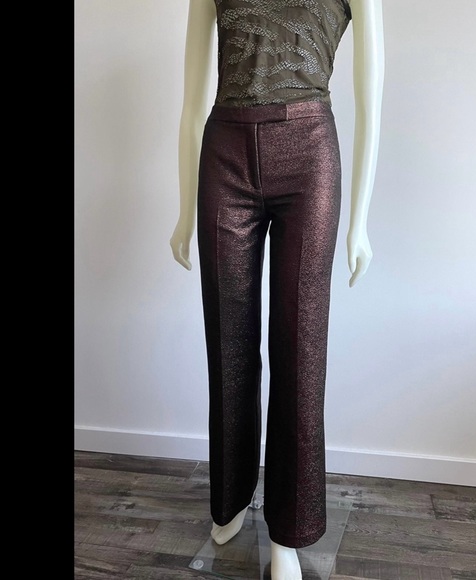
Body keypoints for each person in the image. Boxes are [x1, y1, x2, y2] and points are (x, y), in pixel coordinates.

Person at [170, 2, 384, 578]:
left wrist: (359, 222)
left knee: (299, 351)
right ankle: (230, 498)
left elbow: (372, 96)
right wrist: (185, 211)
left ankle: (288, 533)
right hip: (224, 155)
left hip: (308, 155)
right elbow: (191, 102)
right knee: (228, 345)